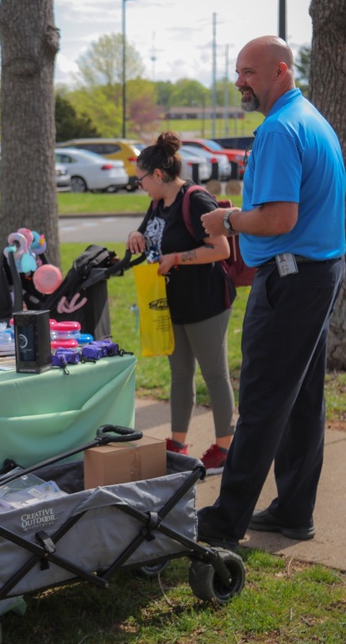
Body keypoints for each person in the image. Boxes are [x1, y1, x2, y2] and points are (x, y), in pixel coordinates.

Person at [196, 35, 346, 549]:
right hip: (315, 272)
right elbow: (286, 209)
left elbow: (281, 218)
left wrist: (227, 219)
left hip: (290, 277)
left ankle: (223, 524)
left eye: (250, 72)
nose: (240, 81)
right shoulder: (308, 118)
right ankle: (293, 511)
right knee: (302, 399)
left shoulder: (281, 129)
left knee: (262, 401)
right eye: (238, 72)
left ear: (280, 71)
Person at [126, 131, 237, 474]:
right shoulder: (158, 202)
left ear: (158, 175)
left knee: (215, 375)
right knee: (180, 375)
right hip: (173, 302)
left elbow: (221, 250)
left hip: (206, 302)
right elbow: (151, 232)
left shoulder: (196, 200)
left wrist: (176, 258)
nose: (139, 184)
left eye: (141, 178)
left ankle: (225, 449)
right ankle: (177, 444)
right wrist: (137, 235)